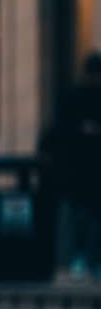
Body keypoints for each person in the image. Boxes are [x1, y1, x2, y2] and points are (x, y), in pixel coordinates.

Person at [51, 52, 101, 281]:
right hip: (79, 170)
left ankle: (90, 259)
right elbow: (60, 134)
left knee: (90, 217)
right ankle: (81, 258)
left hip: (88, 170)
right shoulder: (73, 98)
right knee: (81, 217)